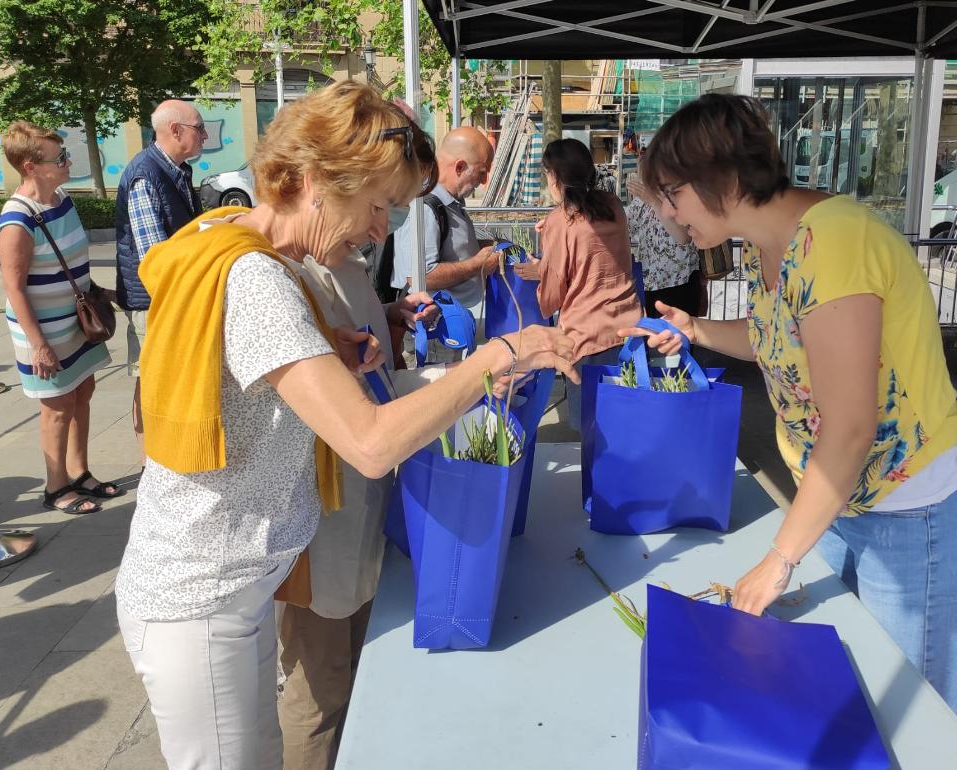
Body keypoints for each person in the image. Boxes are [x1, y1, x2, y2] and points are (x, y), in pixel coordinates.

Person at [113, 81, 577, 770]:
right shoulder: (261, 280)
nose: (379, 229)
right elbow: (369, 442)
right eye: (375, 205)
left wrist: (325, 347)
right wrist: (500, 356)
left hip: (226, 586)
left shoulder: (232, 241)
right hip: (203, 595)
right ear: (310, 180)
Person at [630, 94, 957, 714]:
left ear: (727, 179)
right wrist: (697, 331)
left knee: (909, 716)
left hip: (913, 513)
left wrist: (778, 558)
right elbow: (777, 339)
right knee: (840, 697)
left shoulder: (835, 241)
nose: (666, 215)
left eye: (672, 194)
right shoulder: (762, 245)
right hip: (835, 504)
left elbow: (851, 427)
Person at [278, 218, 446, 770]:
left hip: (360, 512)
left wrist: (390, 320)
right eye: (381, 200)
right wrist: (466, 379)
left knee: (352, 669)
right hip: (322, 520)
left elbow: (369, 374)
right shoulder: (292, 274)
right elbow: (353, 411)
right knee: (319, 691)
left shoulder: (346, 262)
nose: (385, 221)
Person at [0, 122, 118, 514]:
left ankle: (79, 472)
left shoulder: (61, 198)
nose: (68, 163)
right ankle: (55, 487)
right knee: (57, 405)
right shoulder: (17, 219)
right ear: (31, 166)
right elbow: (14, 288)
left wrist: (99, 292)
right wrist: (39, 345)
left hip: (75, 318)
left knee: (82, 391)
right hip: (42, 328)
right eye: (59, 158)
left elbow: (71, 261)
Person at [514, 138, 639, 430]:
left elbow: (552, 297)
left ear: (554, 176)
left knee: (592, 429)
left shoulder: (561, 221)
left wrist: (540, 268)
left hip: (587, 336)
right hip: (629, 328)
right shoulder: (613, 206)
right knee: (626, 423)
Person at [115, 100, 206, 469]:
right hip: (154, 303)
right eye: (199, 128)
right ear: (175, 130)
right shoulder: (144, 175)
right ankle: (151, 465)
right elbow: (156, 257)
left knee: (169, 383)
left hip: (173, 299)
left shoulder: (175, 170)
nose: (204, 135)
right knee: (151, 383)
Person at [390, 126, 501, 362]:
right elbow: (420, 275)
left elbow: (449, 250)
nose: (483, 181)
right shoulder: (426, 208)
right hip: (434, 332)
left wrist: (481, 247)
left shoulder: (449, 204)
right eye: (481, 172)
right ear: (459, 167)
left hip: (451, 326)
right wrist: (478, 263)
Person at [626, 172, 704, 318]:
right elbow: (625, 225)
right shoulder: (640, 202)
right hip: (651, 283)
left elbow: (683, 238)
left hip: (681, 282)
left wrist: (653, 200)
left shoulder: (679, 195)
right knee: (655, 336)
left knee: (682, 337)